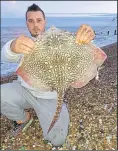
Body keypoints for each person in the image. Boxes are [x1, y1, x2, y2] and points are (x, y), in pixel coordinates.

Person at [1, 4, 95, 146]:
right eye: (30, 21)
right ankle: (24, 118)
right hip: (24, 92)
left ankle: (56, 110)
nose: (35, 25)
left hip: (50, 99)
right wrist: (13, 46)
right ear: (26, 23)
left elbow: (87, 50)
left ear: (45, 21)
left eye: (39, 20)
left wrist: (88, 36)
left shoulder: (63, 43)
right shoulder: (26, 45)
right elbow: (6, 55)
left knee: (57, 140)